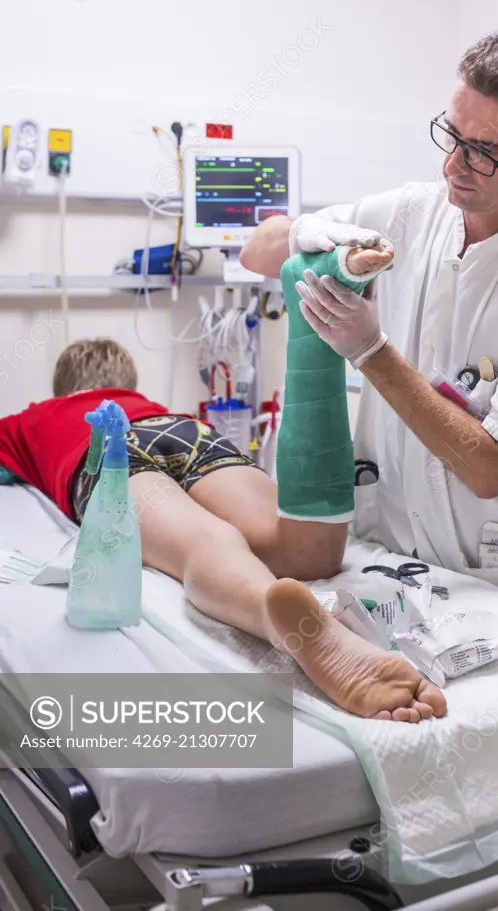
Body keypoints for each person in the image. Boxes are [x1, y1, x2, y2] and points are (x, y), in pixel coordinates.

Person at [241, 27, 498, 911]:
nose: (455, 164)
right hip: (398, 568)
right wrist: (312, 231)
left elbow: (492, 466)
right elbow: (257, 250)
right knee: (447, 822)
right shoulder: (412, 212)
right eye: (450, 132)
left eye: (485, 150)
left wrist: (372, 349)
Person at [0, 268, 447, 727]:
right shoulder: (150, 405)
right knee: (300, 546)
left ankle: (283, 619)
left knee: (206, 543)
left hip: (108, 451)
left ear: (62, 388)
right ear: (128, 384)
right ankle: (307, 584)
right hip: (186, 432)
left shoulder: (35, 418)